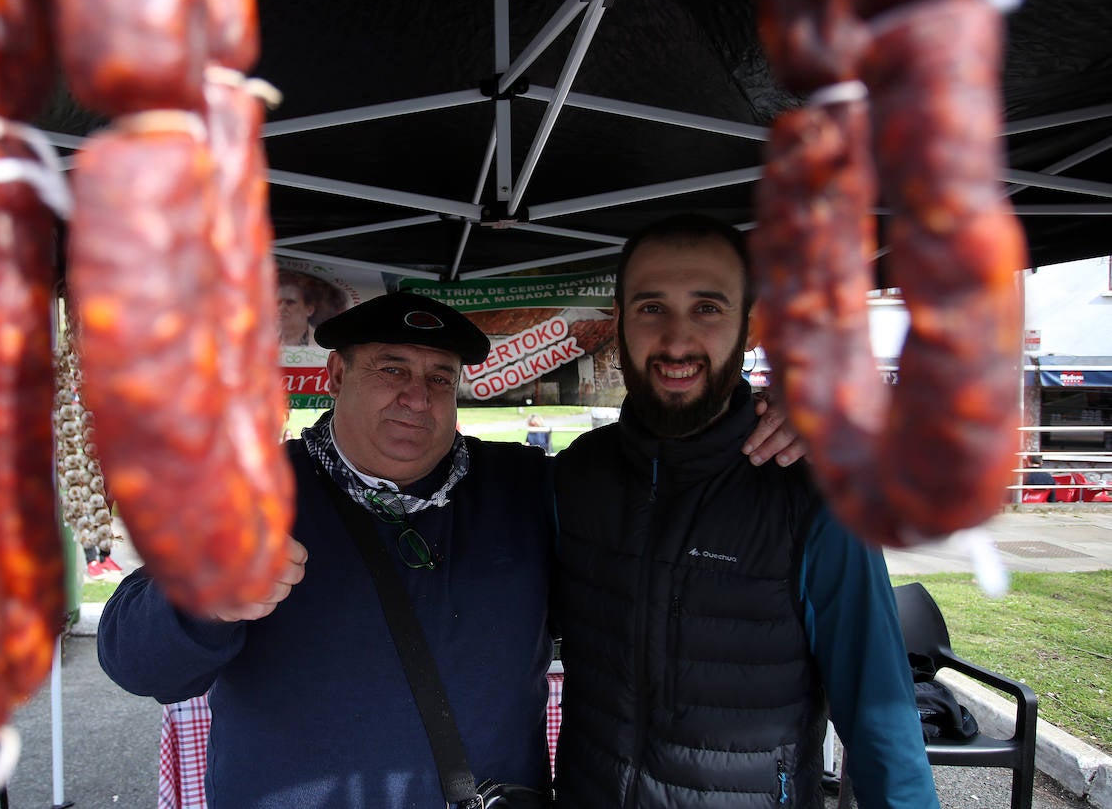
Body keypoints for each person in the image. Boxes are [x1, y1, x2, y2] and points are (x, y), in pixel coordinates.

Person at [98, 292, 800, 807]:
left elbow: (665, 505)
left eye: (439, 377)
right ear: (336, 377)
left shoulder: (526, 486)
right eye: (392, 369)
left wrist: (758, 429)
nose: (417, 396)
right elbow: (132, 657)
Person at [551, 214, 938, 808]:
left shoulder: (810, 490)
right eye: (652, 307)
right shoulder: (576, 474)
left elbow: (880, 717)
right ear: (618, 321)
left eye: (707, 308)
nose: (677, 342)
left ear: (750, 324)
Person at [276, 271, 319, 346]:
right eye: (278, 303)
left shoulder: (320, 346)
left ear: (309, 310)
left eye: (290, 302)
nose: (281, 308)